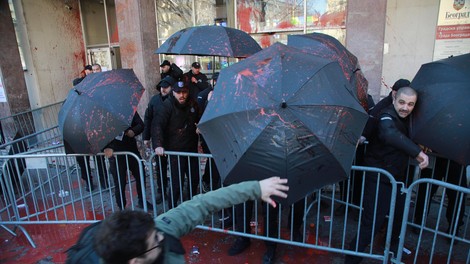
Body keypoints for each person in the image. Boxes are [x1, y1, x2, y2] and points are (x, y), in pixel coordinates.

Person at [93, 177, 289, 264]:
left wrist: (255, 189)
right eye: (155, 241)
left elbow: (203, 203)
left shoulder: (158, 229)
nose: (162, 238)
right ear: (135, 261)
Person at [345, 87, 429, 264]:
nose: (405, 107)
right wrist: (417, 153)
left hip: (398, 179)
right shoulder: (386, 115)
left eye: (410, 104)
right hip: (379, 178)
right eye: (402, 102)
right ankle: (351, 259)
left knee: (399, 218)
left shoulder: (409, 118)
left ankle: (391, 254)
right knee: (371, 223)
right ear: (394, 99)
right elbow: (389, 132)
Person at [152, 80, 200, 209]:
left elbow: (200, 119)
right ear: (173, 92)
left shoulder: (193, 104)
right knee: (176, 182)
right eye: (178, 92)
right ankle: (172, 209)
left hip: (191, 148)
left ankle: (191, 206)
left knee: (194, 179)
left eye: (184, 92)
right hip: (175, 150)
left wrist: (200, 127)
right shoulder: (167, 106)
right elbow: (157, 125)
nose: (181, 95)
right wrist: (158, 144)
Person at [104, 112, 153, 210]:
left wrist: (133, 131)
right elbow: (96, 135)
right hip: (116, 154)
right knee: (120, 182)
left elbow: (141, 125)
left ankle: (142, 200)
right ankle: (121, 207)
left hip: (132, 151)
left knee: (140, 175)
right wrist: (105, 148)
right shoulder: (100, 115)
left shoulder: (128, 109)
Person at [413, 155, 467, 237]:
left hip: (455, 158)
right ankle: (419, 221)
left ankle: (454, 227)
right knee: (425, 190)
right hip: (438, 154)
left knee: (457, 195)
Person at [143, 76, 176, 204]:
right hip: (159, 140)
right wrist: (146, 137)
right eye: (162, 86)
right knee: (160, 168)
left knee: (174, 168)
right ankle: (161, 191)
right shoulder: (154, 100)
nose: (163, 89)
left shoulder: (175, 100)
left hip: (173, 140)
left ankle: (174, 192)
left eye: (166, 86)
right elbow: (148, 119)